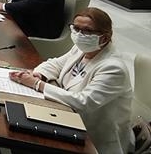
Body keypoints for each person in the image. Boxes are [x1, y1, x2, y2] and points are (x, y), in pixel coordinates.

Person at [9, 8, 133, 153]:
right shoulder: (82, 49)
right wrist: (39, 75)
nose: (79, 35)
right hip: (66, 117)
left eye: (87, 31)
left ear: (104, 38)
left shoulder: (113, 68)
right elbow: (56, 64)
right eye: (76, 28)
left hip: (93, 139)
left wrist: (38, 84)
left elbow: (83, 102)